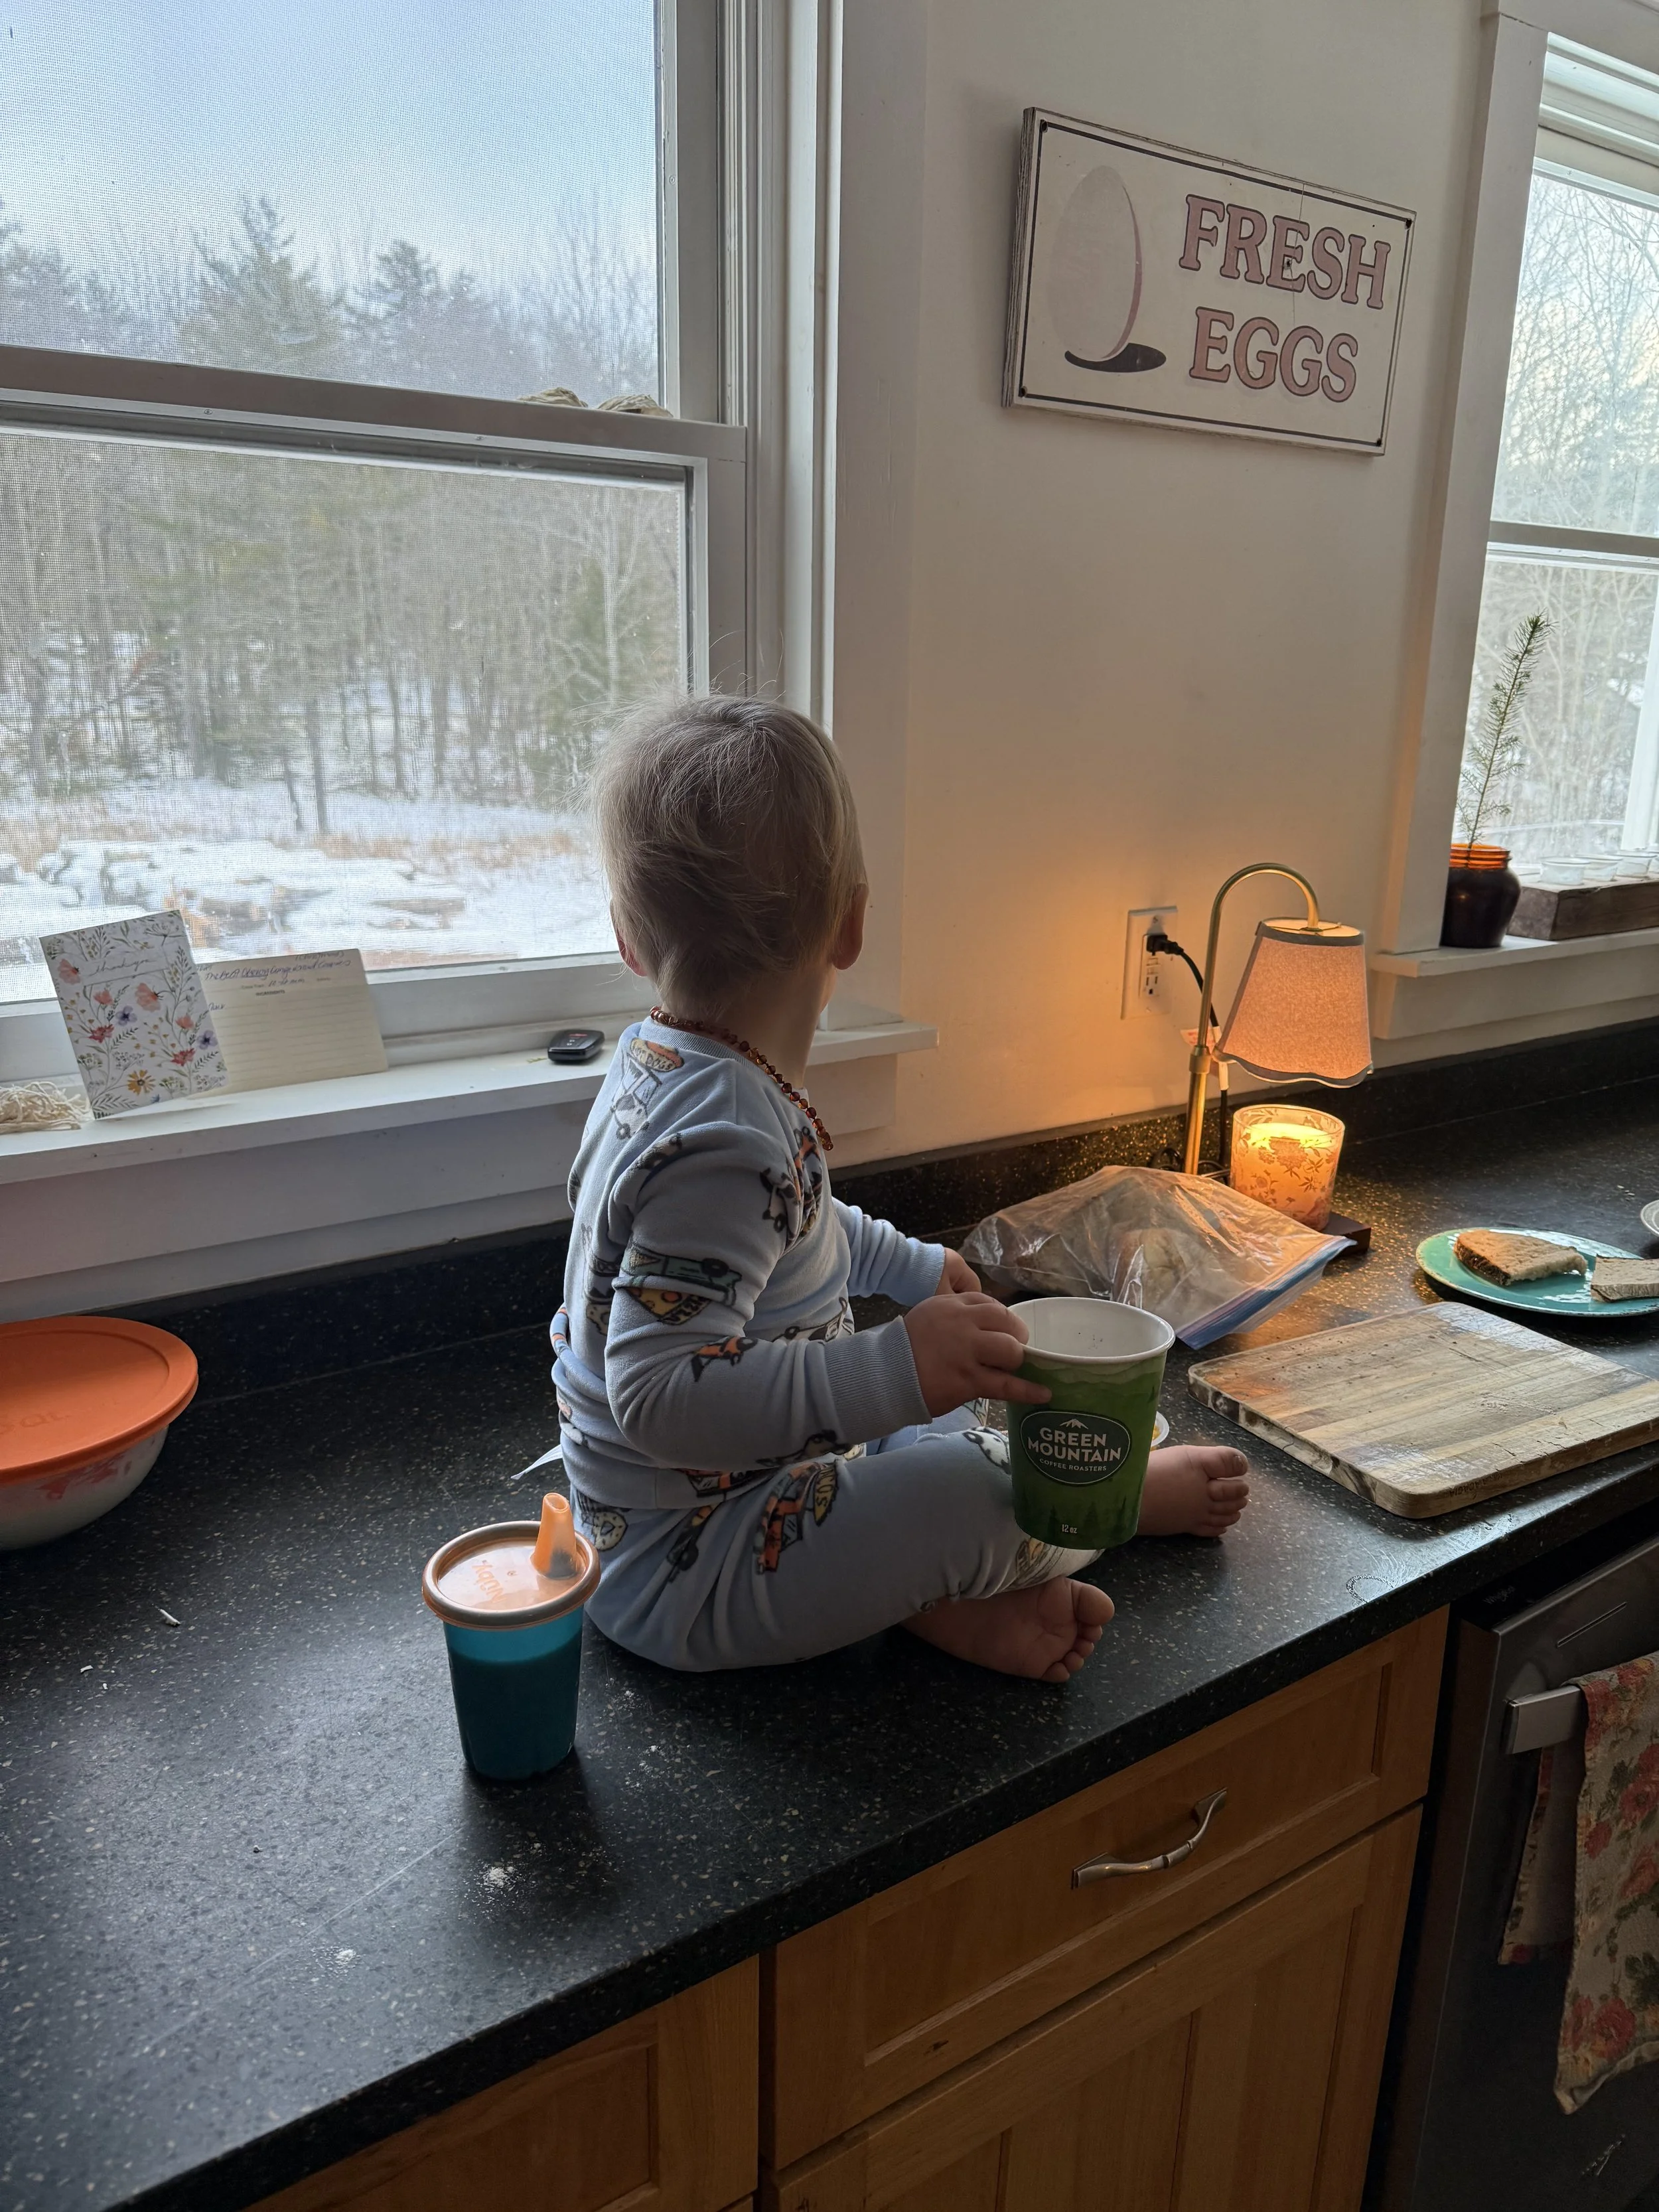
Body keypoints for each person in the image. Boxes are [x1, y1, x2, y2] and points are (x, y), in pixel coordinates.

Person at [551, 696, 1250, 1679]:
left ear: (629, 938)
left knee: (942, 1416)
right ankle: (1120, 1507)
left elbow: (795, 1224)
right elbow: (658, 1395)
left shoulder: (677, 1071)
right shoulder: (724, 1135)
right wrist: (896, 1367)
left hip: (759, 1500)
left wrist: (913, 1269)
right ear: (852, 924)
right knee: (978, 1487)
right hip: (691, 1572)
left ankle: (935, 1602)